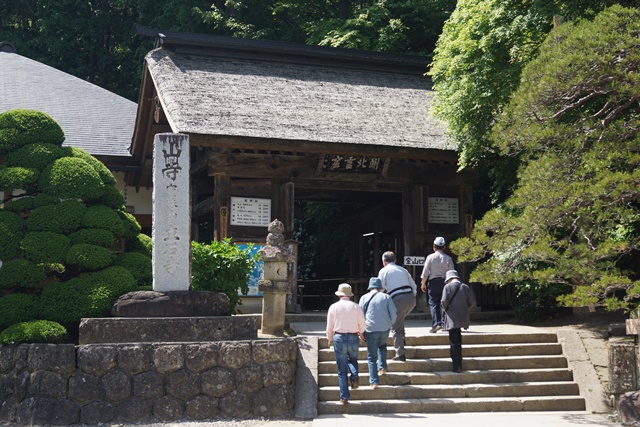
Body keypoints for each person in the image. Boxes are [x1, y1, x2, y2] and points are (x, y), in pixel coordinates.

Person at [326, 283, 366, 405]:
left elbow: (330, 326)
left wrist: (330, 338)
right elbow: (363, 325)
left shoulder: (333, 307)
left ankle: (344, 397)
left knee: (341, 370)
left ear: (339, 295)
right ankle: (354, 375)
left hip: (339, 337)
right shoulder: (357, 307)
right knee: (353, 360)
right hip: (354, 337)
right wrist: (361, 333)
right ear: (349, 295)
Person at [378, 251, 417, 362]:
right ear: (395, 260)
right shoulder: (403, 270)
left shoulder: (384, 271)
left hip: (397, 298)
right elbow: (414, 286)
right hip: (410, 298)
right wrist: (413, 297)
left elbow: (381, 287)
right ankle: (402, 341)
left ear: (384, 262)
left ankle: (400, 354)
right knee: (399, 320)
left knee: (395, 327)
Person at [359, 277, 397, 389]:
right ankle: (383, 367)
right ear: (380, 287)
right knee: (382, 346)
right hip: (385, 328)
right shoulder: (386, 297)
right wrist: (390, 323)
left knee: (371, 356)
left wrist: (361, 331)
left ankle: (374, 381)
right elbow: (394, 313)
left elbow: (360, 316)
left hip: (370, 328)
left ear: (370, 287)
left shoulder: (364, 298)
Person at [441, 269, 476, 373]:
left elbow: (443, 301)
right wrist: (465, 308)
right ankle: (459, 364)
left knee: (453, 342)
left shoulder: (447, 287)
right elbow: (473, 302)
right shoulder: (465, 287)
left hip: (451, 317)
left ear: (449, 279)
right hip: (462, 316)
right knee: (459, 341)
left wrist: (446, 309)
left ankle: (457, 366)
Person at [420, 236, 455, 333]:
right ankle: (445, 323)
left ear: (434, 247)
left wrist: (423, 283)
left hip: (433, 283)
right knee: (445, 303)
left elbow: (425, 272)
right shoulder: (448, 258)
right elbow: (451, 273)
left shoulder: (430, 257)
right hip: (445, 282)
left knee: (434, 304)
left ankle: (436, 324)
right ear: (444, 247)